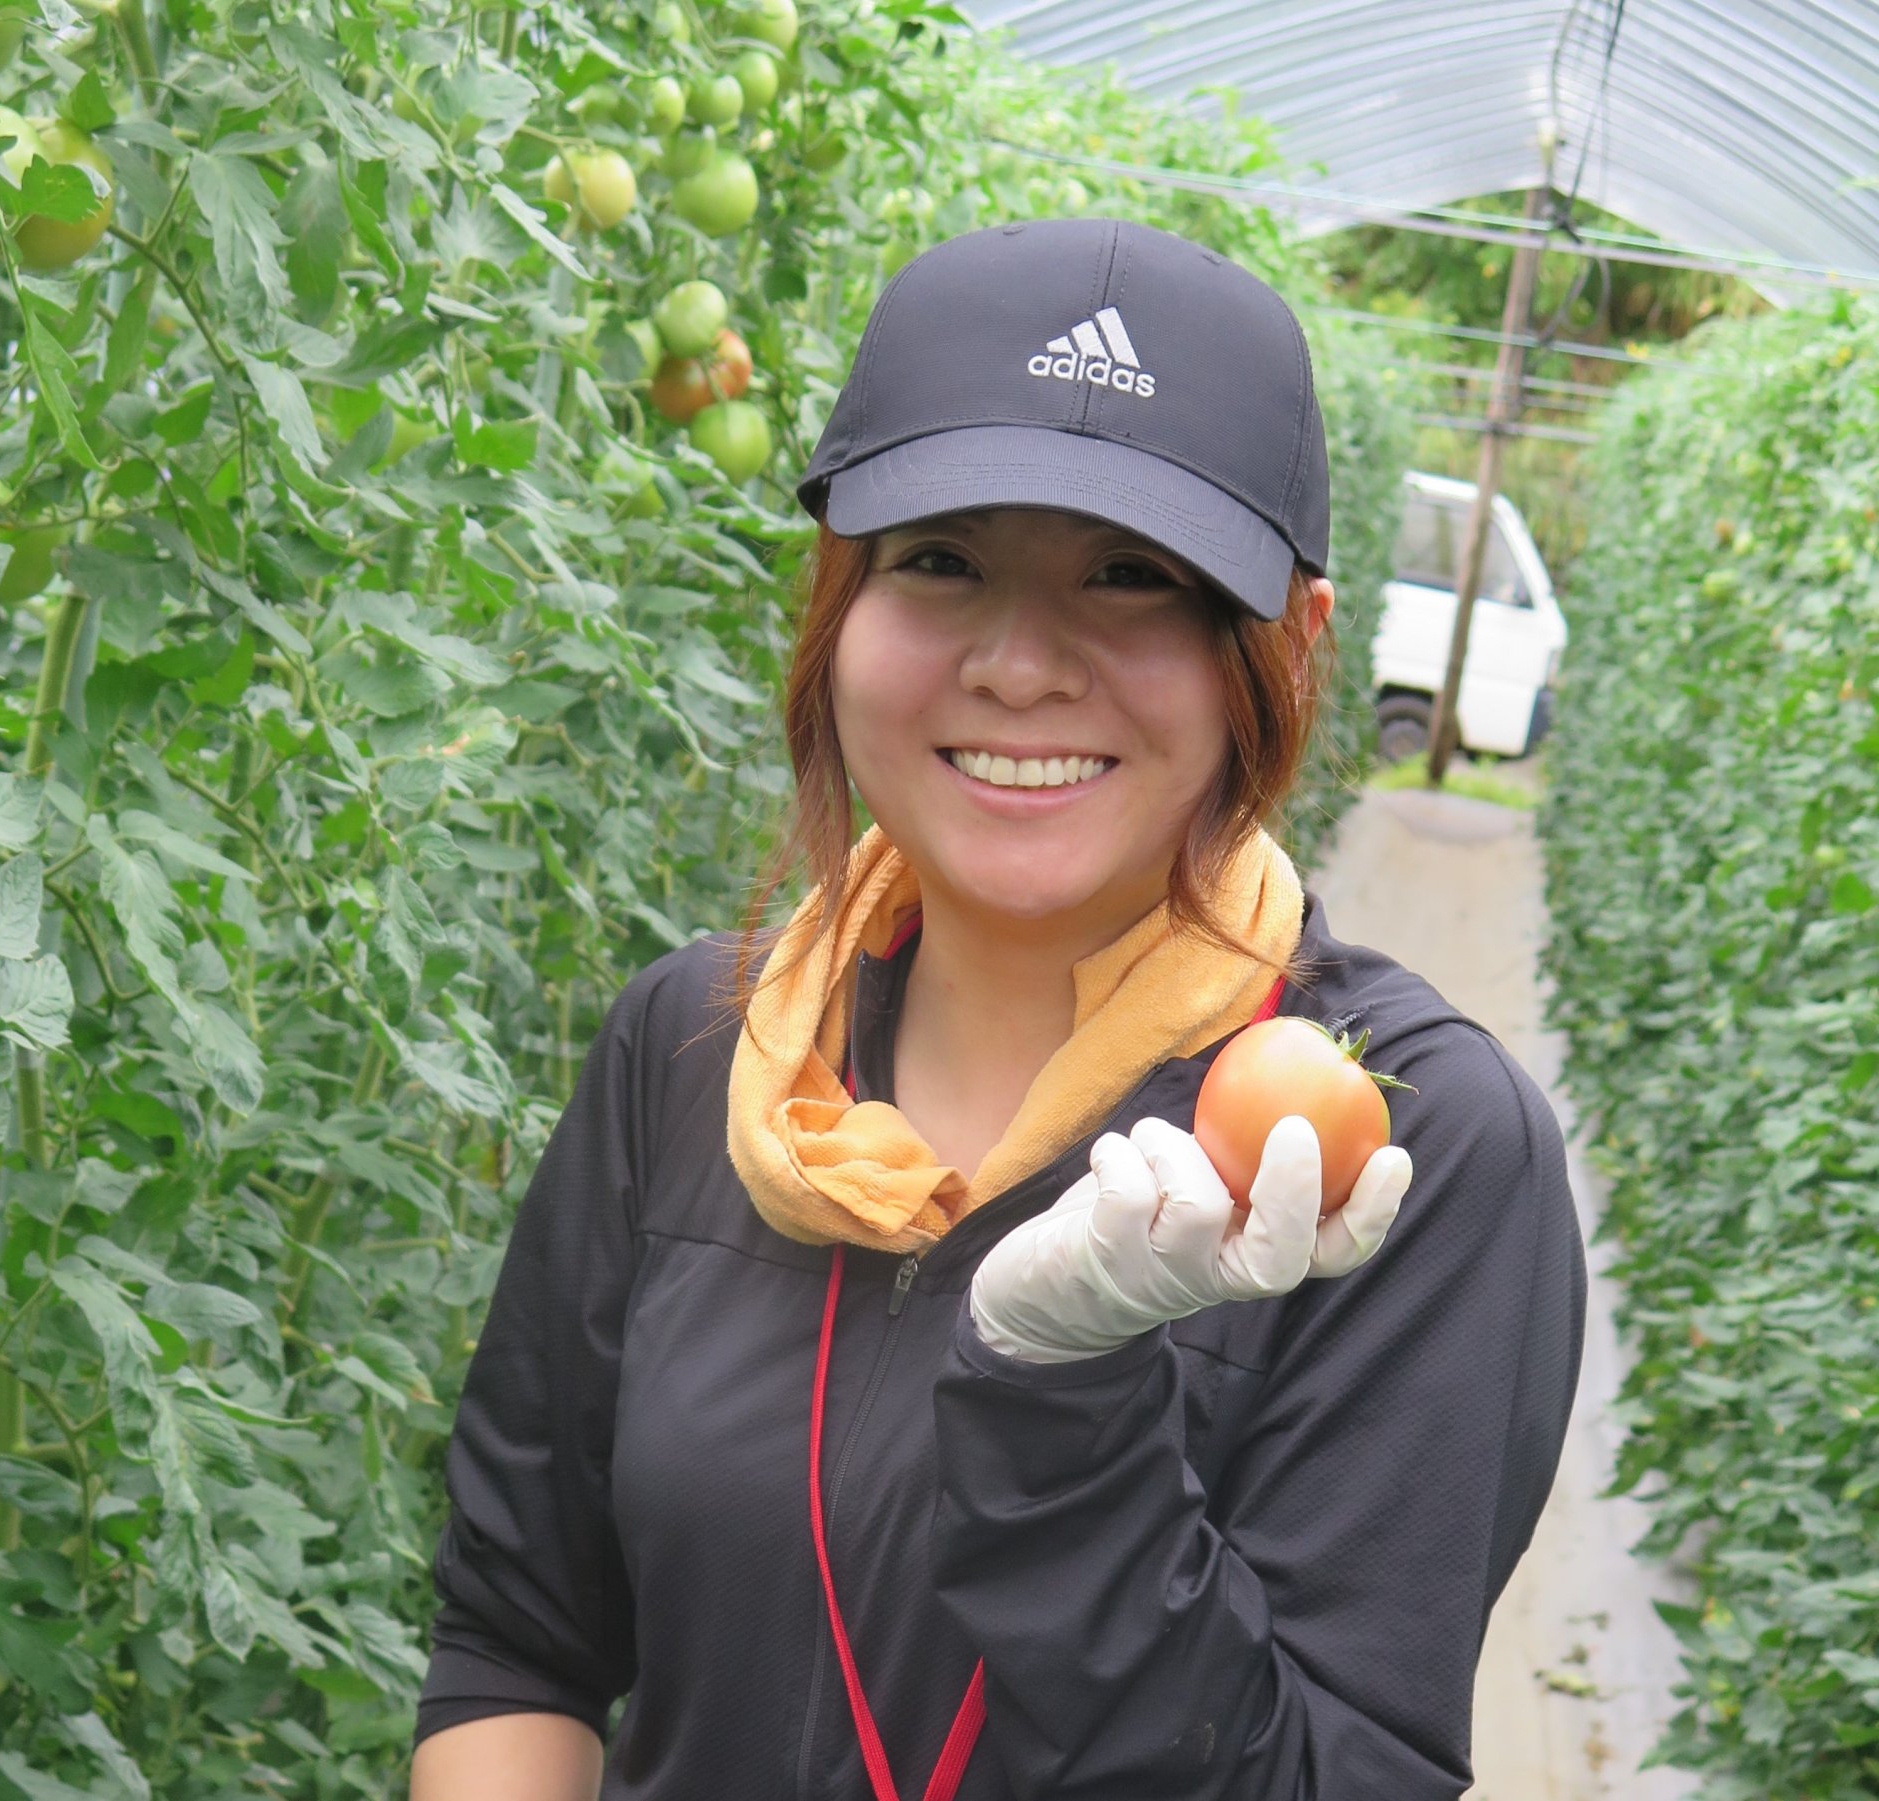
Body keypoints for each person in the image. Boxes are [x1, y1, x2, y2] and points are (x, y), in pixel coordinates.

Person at [408, 216, 1588, 1801]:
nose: (1021, 664)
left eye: (1133, 579)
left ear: (1289, 644)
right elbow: (519, 1636)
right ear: (840, 601)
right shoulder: (693, 1050)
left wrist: (1065, 1404)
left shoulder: (1393, 1151)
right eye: (941, 559)